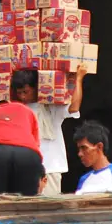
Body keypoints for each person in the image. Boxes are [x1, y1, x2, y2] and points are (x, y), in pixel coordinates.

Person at [11, 65, 87, 195]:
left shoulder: (51, 107)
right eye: (19, 93)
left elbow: (73, 108)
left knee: (50, 209)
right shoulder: (16, 109)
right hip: (25, 168)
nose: (23, 97)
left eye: (26, 91)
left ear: (36, 88)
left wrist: (79, 79)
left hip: (50, 168)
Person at [74, 120, 112, 195]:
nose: (80, 154)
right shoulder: (83, 179)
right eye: (79, 149)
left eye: (84, 148)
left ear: (99, 146)